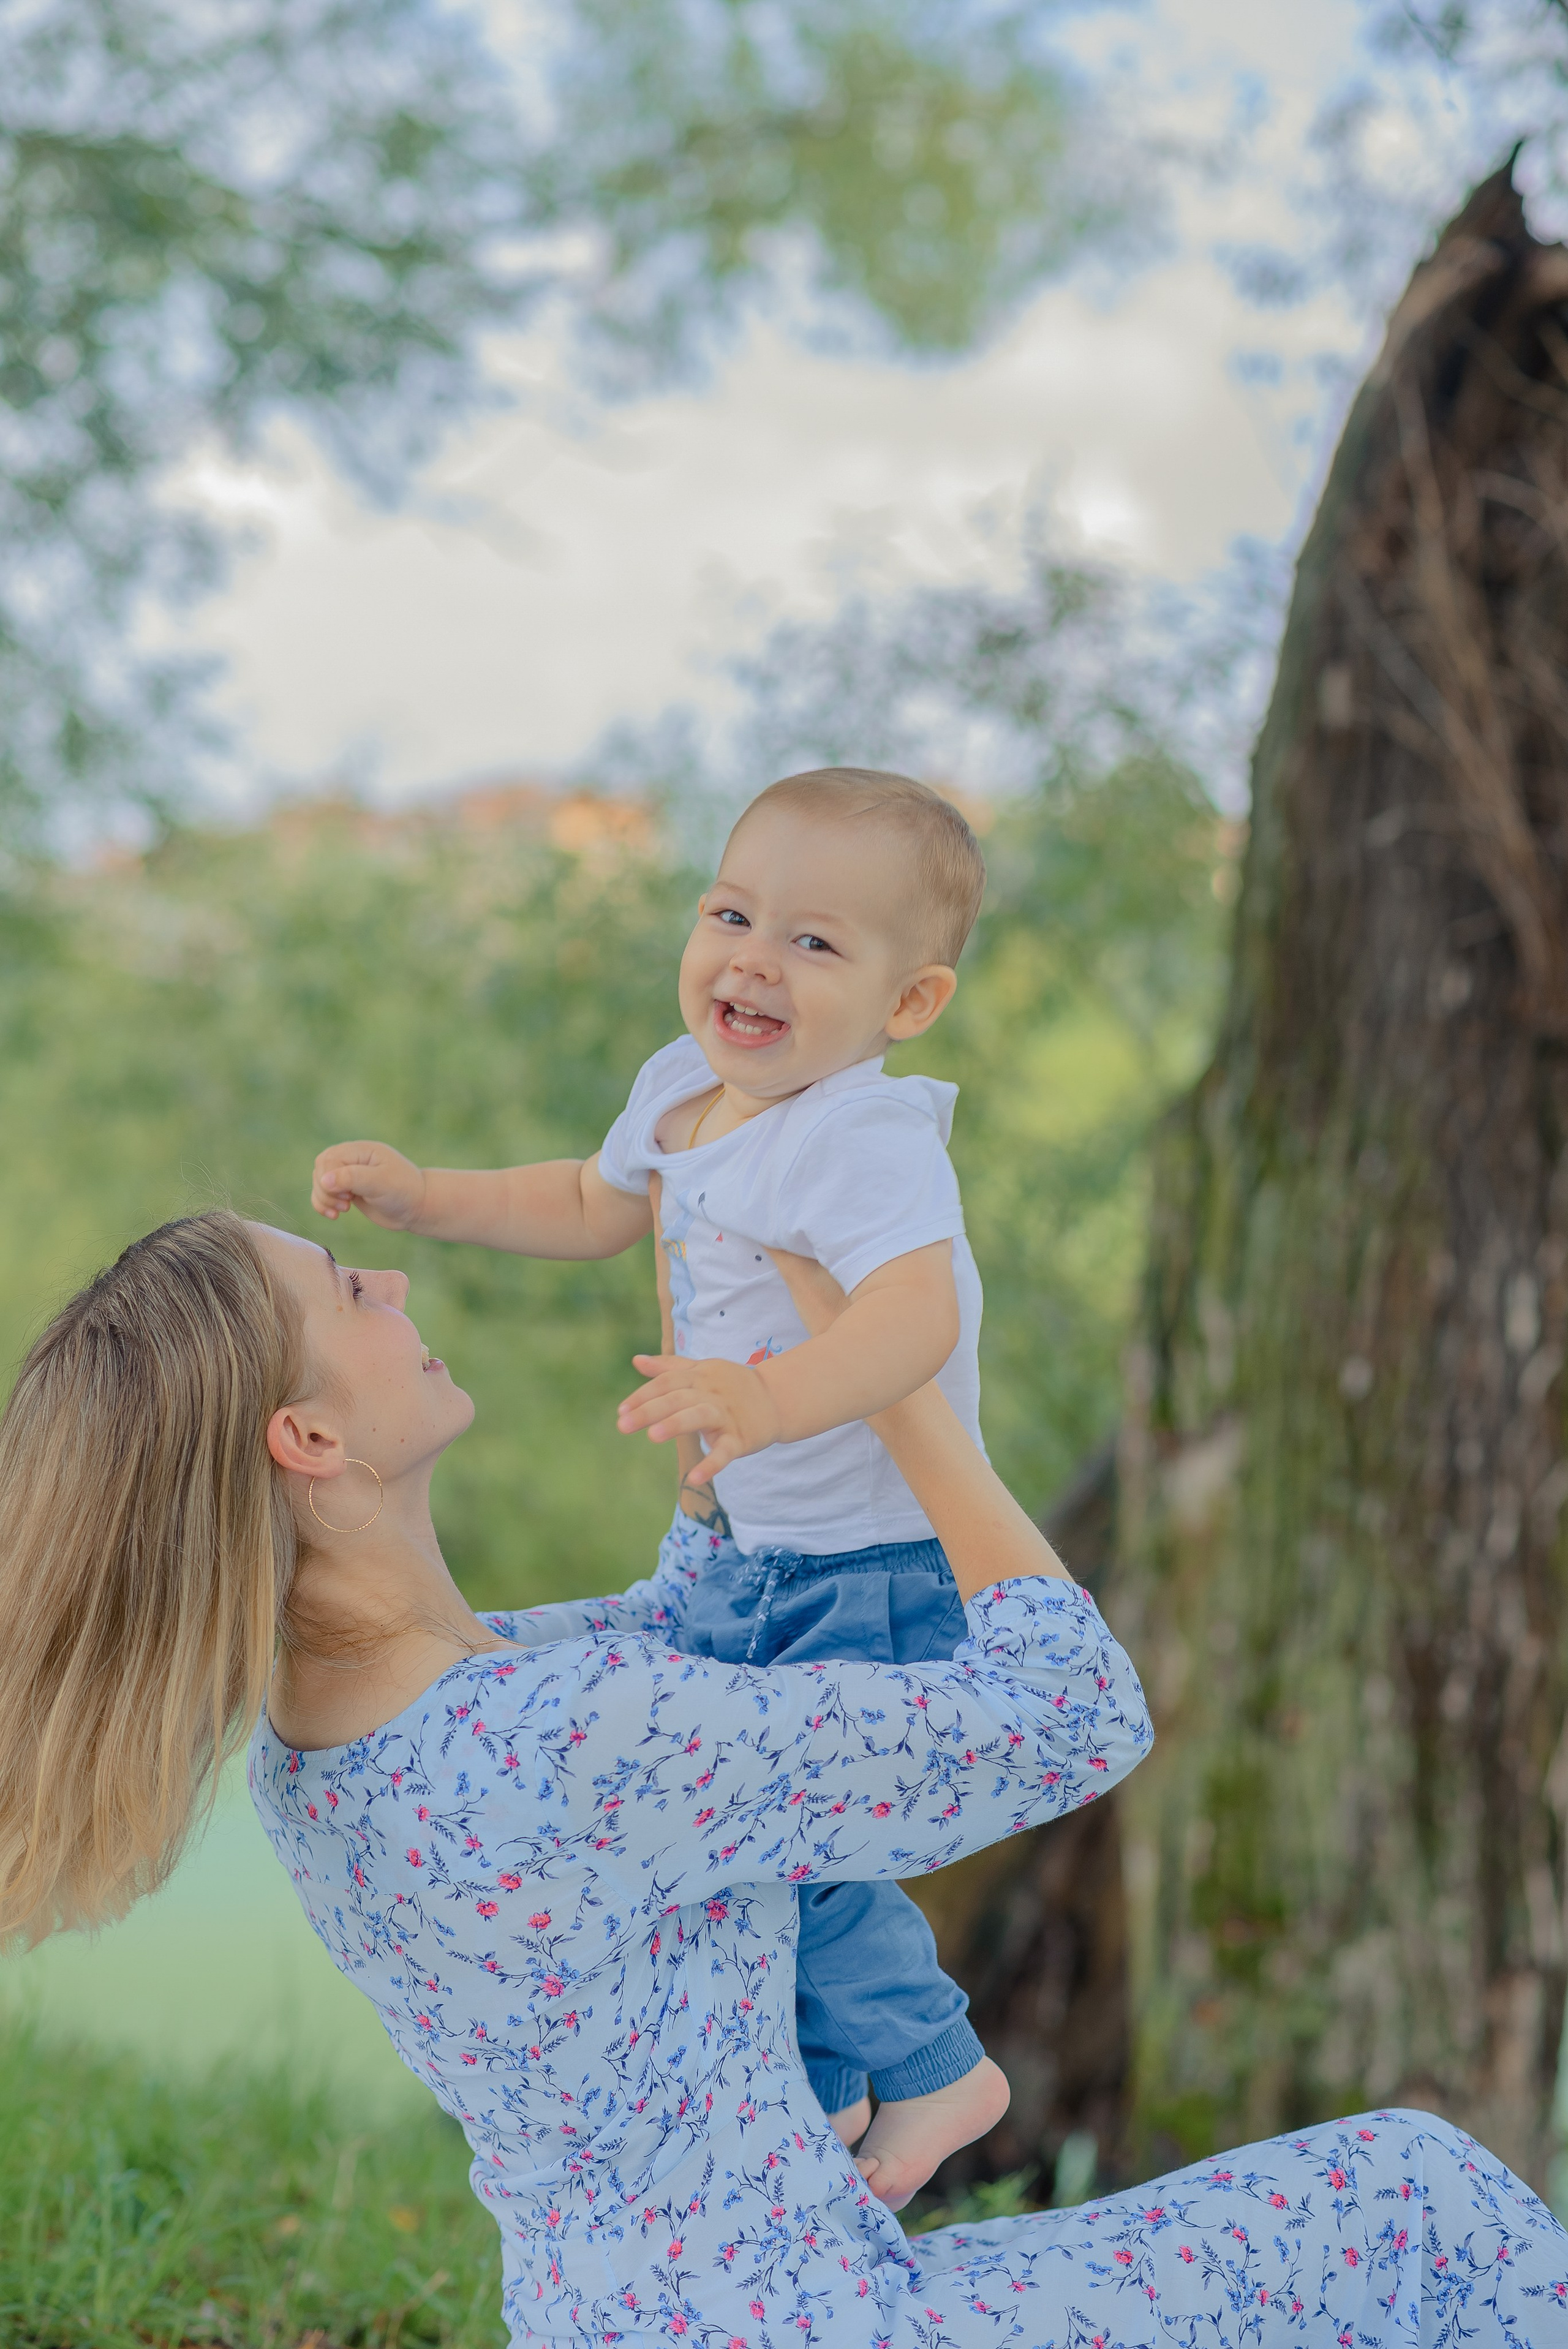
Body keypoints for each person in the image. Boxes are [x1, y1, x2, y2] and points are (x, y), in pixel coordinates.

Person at [1, 1209, 1562, 2349]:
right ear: (310, 1434)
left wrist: (750, 1435)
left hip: (644, 2321)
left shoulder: (329, 1739)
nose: (392, 1277)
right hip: (812, 2327)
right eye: (348, 1288)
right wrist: (902, 1391)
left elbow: (662, 1655)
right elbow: (1076, 1710)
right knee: (1417, 2198)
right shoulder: (562, 1737)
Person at [308, 766, 1011, 2202]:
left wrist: (767, 1394)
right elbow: (584, 1199)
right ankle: (807, 2096)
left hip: (866, 1554)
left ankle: (940, 2070)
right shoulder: (684, 1088)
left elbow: (909, 1323)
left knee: (792, 1834)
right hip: (749, 1546)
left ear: (907, 1003)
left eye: (813, 942)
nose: (751, 958)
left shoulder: (862, 1136)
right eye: (730, 912)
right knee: (732, 1835)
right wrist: (425, 1196)